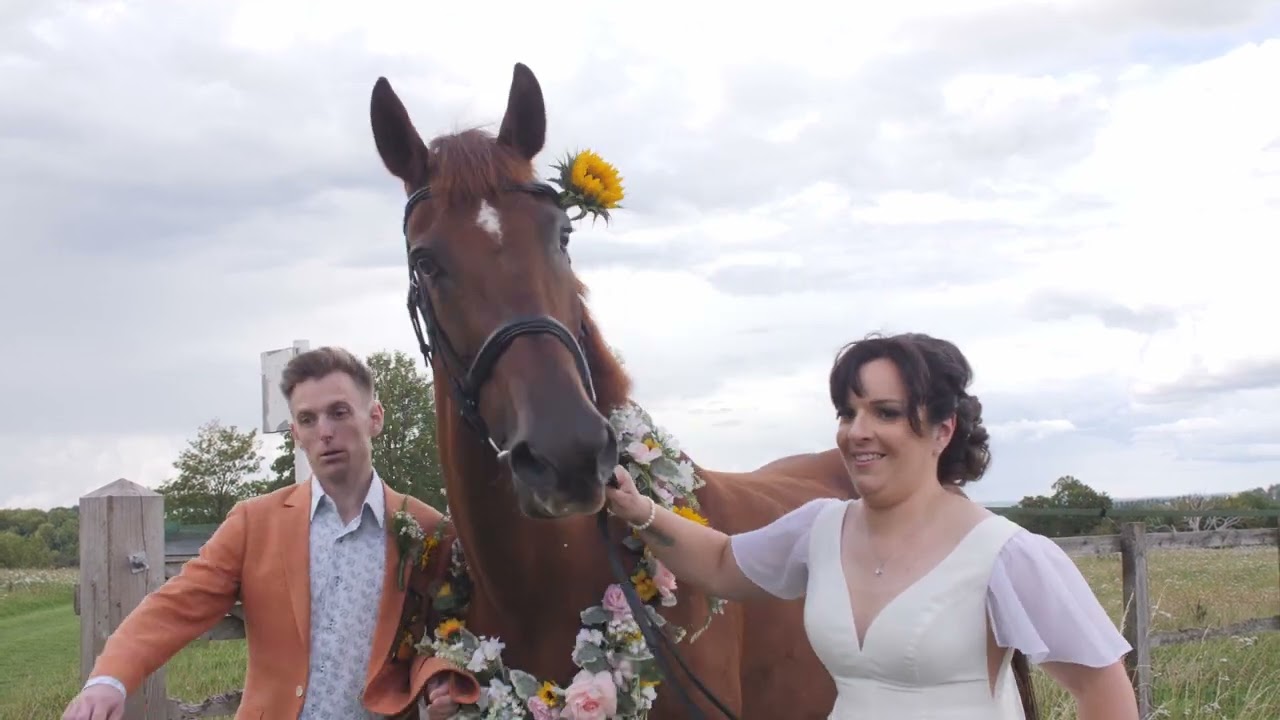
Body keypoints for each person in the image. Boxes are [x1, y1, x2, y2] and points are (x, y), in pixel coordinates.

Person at [605, 332, 1140, 719]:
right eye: (846, 412)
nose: (857, 432)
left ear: (942, 430)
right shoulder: (819, 529)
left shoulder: (1006, 555)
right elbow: (723, 563)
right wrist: (640, 511)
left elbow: (1104, 695)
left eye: (885, 412)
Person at [63, 346, 479, 720]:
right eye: (307, 419)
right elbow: (174, 607)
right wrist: (110, 678)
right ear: (296, 434)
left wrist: (437, 680)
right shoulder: (254, 523)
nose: (325, 432)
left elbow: (444, 637)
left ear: (374, 417)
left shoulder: (428, 531)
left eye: (339, 412)